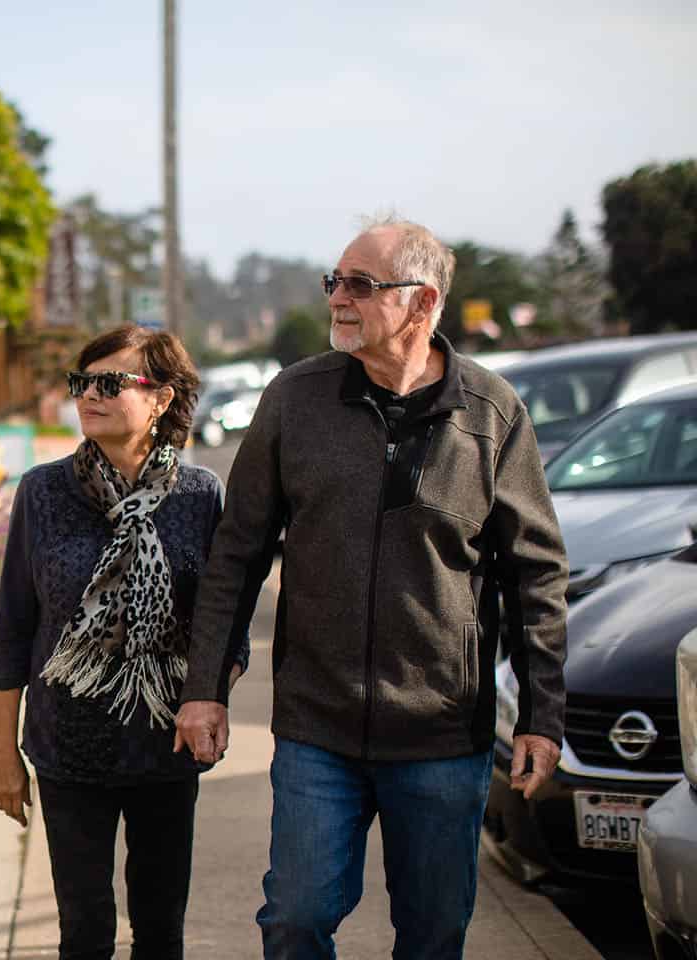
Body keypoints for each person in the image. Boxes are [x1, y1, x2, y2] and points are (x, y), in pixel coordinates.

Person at [174, 217, 568, 959]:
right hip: (318, 726)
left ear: (421, 304)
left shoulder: (491, 414)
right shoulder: (296, 398)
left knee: (432, 933)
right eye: (335, 280)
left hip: (443, 735)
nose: (338, 298)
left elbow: (537, 573)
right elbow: (236, 553)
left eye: (360, 283)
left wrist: (543, 715)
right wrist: (205, 688)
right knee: (294, 919)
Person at [0, 326, 244, 960]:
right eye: (83, 383)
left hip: (166, 742)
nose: (89, 396)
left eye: (110, 383)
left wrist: (212, 697)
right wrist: (3, 751)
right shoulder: (43, 492)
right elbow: (14, 626)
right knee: (84, 931)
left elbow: (223, 620)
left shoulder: (199, 496)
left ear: (161, 399)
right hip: (67, 743)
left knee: (160, 931)